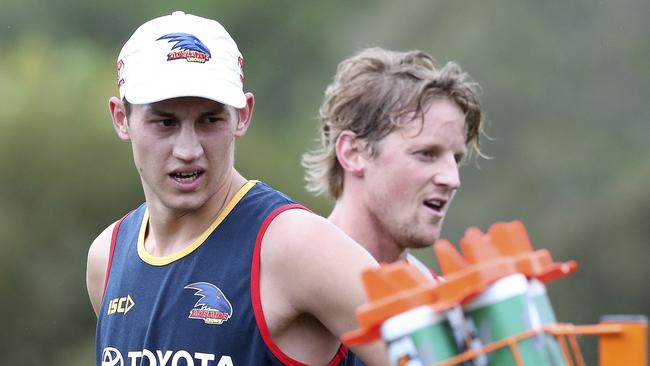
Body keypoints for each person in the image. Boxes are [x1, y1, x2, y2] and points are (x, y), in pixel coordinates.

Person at [85, 12, 388, 366]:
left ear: (242, 115)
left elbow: (433, 354)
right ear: (122, 119)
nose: (188, 150)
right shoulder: (106, 257)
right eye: (165, 122)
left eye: (210, 120)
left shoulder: (296, 246)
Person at [303, 47, 483, 276]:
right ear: (352, 153)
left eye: (456, 158)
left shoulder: (435, 295)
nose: (452, 179)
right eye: (426, 154)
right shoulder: (291, 279)